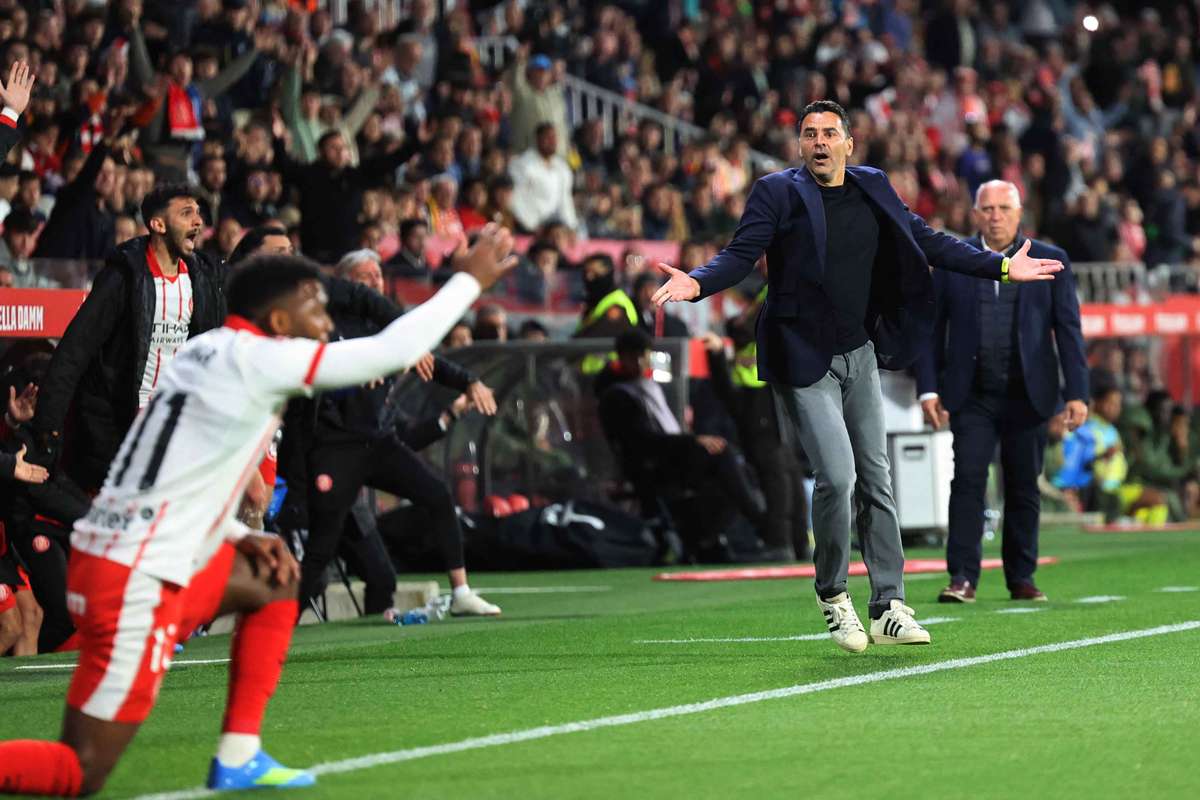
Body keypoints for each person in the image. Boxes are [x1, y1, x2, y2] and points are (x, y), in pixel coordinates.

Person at [0, 225, 516, 797]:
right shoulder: (263, 361)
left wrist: (233, 535)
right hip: (134, 581)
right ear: (278, 322)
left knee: (272, 577)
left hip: (129, 553)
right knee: (80, 771)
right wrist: (468, 281)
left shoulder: (206, 349)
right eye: (313, 309)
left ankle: (240, 755)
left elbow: (167, 469)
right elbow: (392, 350)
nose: (325, 322)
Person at [652, 100, 1064, 653]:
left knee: (877, 479)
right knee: (839, 477)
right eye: (808, 134)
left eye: (828, 133)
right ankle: (833, 595)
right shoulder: (777, 191)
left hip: (859, 351)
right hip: (804, 358)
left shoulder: (873, 186)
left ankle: (888, 604)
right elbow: (740, 254)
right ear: (800, 146)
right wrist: (697, 283)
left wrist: (1004, 267)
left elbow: (929, 240)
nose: (818, 142)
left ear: (849, 142)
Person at [292, 250, 502, 617]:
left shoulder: (386, 328)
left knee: (437, 494)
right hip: (336, 445)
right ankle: (280, 621)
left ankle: (462, 592)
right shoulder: (323, 324)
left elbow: (429, 361)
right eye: (364, 275)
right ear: (343, 283)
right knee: (322, 545)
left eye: (377, 275)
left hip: (378, 442)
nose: (374, 281)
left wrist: (468, 382)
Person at [915, 180, 1088, 603]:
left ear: (1019, 211)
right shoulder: (954, 261)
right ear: (975, 214)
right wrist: (927, 390)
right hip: (971, 393)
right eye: (987, 208)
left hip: (1028, 393)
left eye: (1003, 208)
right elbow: (930, 331)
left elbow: (1068, 330)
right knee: (969, 482)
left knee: (1024, 487)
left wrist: (1078, 392)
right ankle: (962, 577)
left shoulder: (1051, 260)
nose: (995, 215)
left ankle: (1021, 577)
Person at [596, 329, 767, 560]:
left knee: (732, 467)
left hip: (671, 455)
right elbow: (642, 442)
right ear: (620, 358)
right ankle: (759, 521)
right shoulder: (616, 396)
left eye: (642, 355)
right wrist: (693, 441)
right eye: (632, 356)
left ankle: (708, 535)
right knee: (722, 456)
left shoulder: (646, 386)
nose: (638, 362)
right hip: (652, 465)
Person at [509, 122, 579, 233]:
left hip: (555, 225)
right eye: (548, 137)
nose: (552, 142)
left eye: (554, 137)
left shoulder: (562, 167)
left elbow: (565, 200)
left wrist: (571, 227)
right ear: (537, 140)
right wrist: (532, 226)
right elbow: (516, 198)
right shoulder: (522, 164)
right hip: (528, 227)